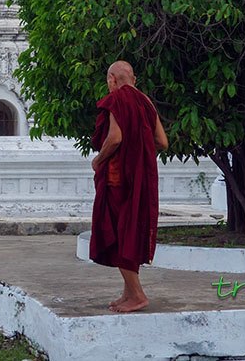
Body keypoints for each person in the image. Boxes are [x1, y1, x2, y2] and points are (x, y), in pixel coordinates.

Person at [89, 60, 168, 313]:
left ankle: (137, 294)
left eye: (108, 80)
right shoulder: (146, 102)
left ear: (112, 78)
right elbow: (162, 142)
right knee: (132, 230)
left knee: (119, 233)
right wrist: (138, 153)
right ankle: (128, 292)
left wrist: (98, 159)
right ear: (133, 79)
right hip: (141, 179)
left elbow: (115, 138)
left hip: (118, 180)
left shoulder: (117, 100)